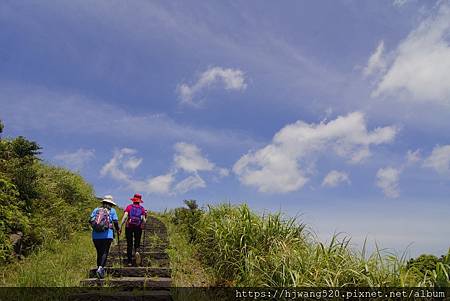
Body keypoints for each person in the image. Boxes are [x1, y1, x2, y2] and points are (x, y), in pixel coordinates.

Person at [89, 195, 121, 278]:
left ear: (103, 202)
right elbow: (116, 222)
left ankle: (99, 267)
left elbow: (91, 220)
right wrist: (118, 229)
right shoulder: (112, 210)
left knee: (99, 252)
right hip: (107, 235)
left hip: (95, 235)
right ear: (111, 203)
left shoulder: (96, 209)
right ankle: (100, 268)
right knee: (104, 251)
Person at [120, 193, 146, 266]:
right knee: (137, 242)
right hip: (138, 227)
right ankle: (137, 251)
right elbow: (144, 220)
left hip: (129, 227)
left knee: (129, 243)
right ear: (139, 201)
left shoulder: (129, 207)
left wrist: (120, 226)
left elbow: (125, 217)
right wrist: (143, 224)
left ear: (133, 200)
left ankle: (129, 261)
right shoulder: (142, 208)